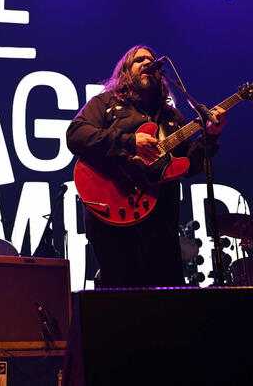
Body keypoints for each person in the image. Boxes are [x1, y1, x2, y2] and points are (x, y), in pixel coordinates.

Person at [66, 45, 226, 288]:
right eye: (139, 60)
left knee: (167, 298)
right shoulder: (106, 103)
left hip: (161, 221)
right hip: (114, 214)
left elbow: (188, 166)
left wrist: (210, 137)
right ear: (125, 71)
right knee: (122, 294)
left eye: (151, 61)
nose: (146, 63)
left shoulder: (172, 117)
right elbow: (75, 135)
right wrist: (131, 143)